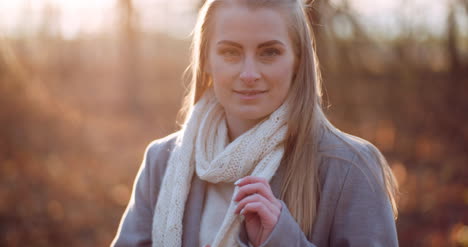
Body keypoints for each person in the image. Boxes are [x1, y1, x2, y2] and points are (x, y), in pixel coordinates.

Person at [111, 0, 399, 246]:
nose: (249, 74)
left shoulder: (349, 167)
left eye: (269, 52)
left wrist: (282, 239)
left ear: (298, 60)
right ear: (207, 60)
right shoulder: (161, 161)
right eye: (230, 52)